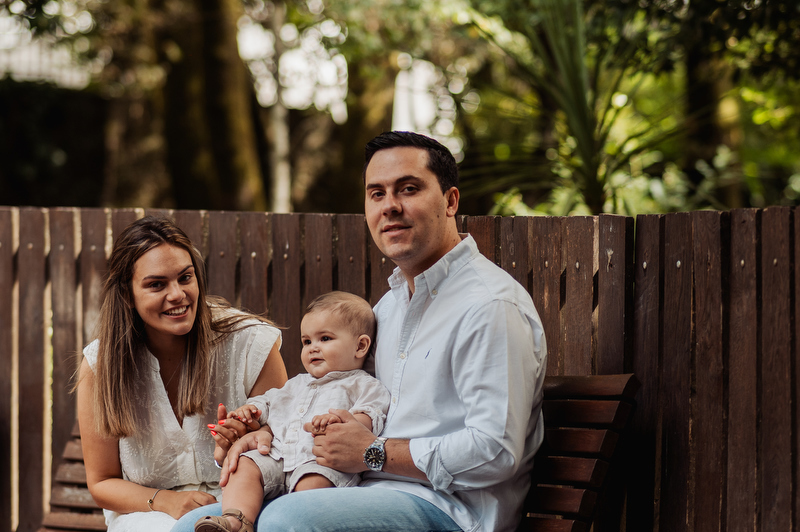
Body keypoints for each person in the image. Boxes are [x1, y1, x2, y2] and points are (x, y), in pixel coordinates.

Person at [174, 130, 546, 532]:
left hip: (452, 511)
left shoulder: (490, 306)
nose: (390, 206)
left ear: (450, 201)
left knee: (287, 519)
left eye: (408, 189)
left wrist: (374, 453)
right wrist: (267, 433)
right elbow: (340, 397)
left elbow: (495, 451)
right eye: (377, 193)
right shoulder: (389, 308)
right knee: (188, 525)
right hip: (358, 491)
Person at [76, 216, 288, 532]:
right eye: (156, 284)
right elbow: (102, 482)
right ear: (127, 295)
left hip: (245, 505)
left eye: (185, 277)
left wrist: (250, 440)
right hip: (148, 514)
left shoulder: (250, 343)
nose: (177, 294)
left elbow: (286, 444)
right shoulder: (101, 366)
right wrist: (167, 501)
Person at [194, 291, 390, 532]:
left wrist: (340, 421)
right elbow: (268, 401)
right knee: (245, 465)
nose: (313, 348)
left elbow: (369, 417)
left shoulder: (365, 385)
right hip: (277, 456)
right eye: (306, 342)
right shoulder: (297, 383)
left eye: (325, 338)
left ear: (360, 346)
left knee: (313, 486)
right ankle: (236, 521)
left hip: (321, 462)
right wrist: (250, 411)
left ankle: (293, 521)